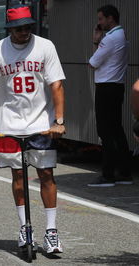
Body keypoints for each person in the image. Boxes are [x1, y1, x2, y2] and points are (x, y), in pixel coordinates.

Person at [0, 5, 66, 254]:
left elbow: (57, 85)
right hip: (9, 124)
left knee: (46, 174)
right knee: (18, 176)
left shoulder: (45, 47)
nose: (25, 32)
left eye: (28, 27)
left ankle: (51, 231)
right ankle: (24, 227)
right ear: (10, 29)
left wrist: (58, 122)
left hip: (40, 122)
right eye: (19, 29)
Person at [88, 5, 132, 187]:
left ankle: (108, 175)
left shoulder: (110, 39)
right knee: (116, 130)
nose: (99, 23)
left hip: (106, 88)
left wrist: (96, 41)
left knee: (105, 131)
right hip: (117, 86)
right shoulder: (121, 36)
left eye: (101, 19)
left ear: (110, 18)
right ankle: (123, 172)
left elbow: (93, 62)